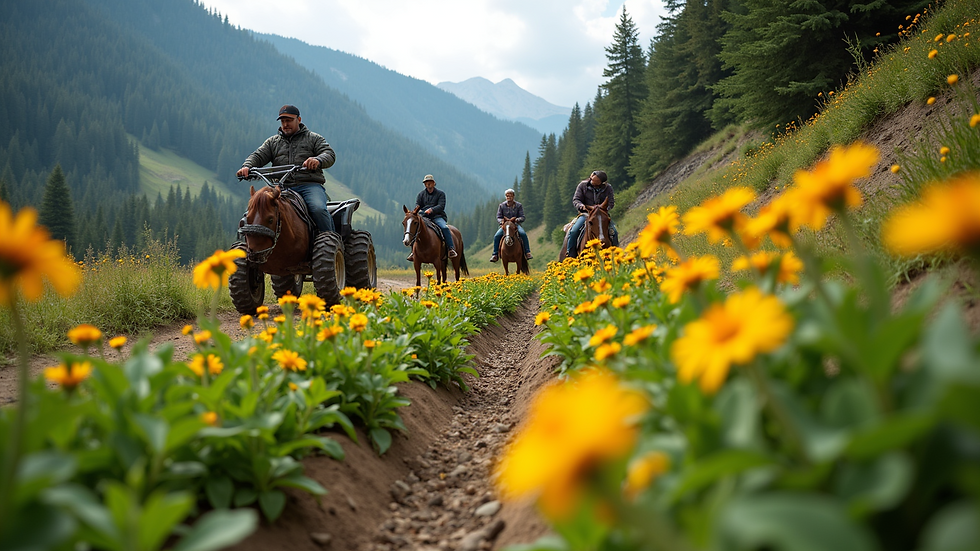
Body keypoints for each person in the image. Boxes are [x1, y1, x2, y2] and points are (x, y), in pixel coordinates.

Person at [237, 105, 337, 234]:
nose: (285, 124)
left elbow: (329, 154)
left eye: (289, 120)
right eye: (283, 121)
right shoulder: (273, 142)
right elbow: (258, 155)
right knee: (253, 210)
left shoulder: (313, 138)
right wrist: (247, 166)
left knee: (318, 209)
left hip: (309, 186)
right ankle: (249, 247)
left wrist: (318, 160)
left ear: (299, 119)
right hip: (280, 188)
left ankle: (330, 242)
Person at [566, 170, 619, 258]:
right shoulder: (582, 185)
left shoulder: (608, 188)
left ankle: (616, 253)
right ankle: (570, 254)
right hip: (586, 214)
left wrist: (604, 209)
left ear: (601, 182)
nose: (592, 182)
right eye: (591, 180)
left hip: (602, 214)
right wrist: (581, 206)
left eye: (595, 181)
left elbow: (611, 202)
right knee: (574, 231)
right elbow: (576, 199)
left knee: (614, 232)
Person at [407, 174, 457, 261]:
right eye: (426, 183)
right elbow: (418, 204)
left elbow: (441, 206)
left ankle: (450, 248)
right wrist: (417, 210)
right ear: (425, 184)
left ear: (434, 183)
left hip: (438, 216)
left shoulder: (441, 194)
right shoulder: (421, 195)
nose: (428, 185)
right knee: (414, 228)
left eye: (430, 183)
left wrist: (431, 210)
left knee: (444, 228)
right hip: (424, 217)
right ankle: (413, 252)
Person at [489, 188, 532, 262]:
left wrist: (517, 220)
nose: (509, 197)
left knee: (523, 234)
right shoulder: (502, 206)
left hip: (515, 225)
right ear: (505, 197)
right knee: (496, 236)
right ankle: (495, 254)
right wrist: (501, 221)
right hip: (505, 226)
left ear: (513, 196)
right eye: (507, 196)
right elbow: (499, 217)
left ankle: (527, 252)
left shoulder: (518, 205)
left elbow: (522, 217)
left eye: (510, 196)